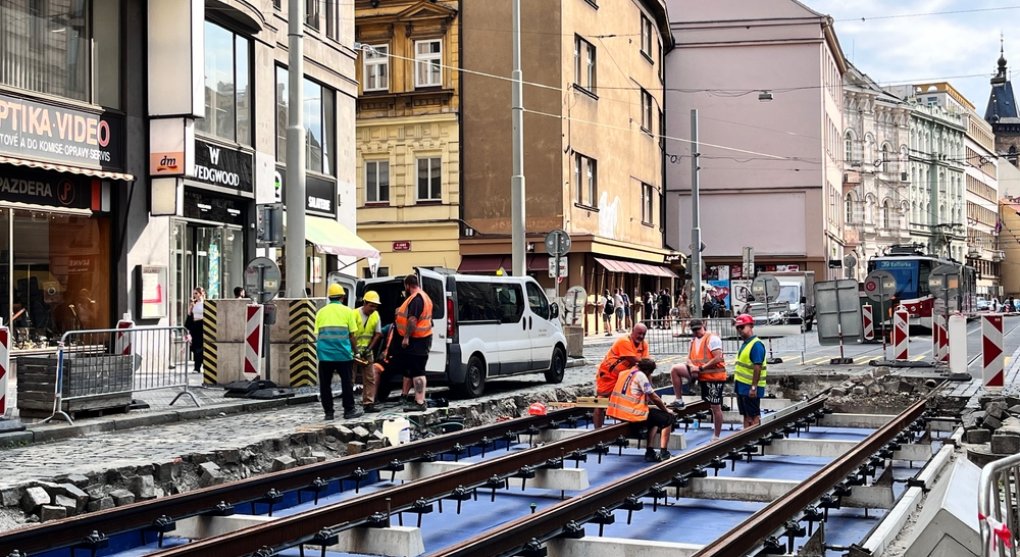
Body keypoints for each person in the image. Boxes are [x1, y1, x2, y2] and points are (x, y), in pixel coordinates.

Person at [607, 358, 676, 462]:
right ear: (648, 371)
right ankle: (664, 453)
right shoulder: (641, 376)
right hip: (632, 414)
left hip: (618, 413)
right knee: (667, 419)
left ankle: (650, 452)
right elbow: (654, 397)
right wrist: (666, 410)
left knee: (654, 419)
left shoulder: (624, 373)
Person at [669, 319, 726, 442]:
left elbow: (718, 358)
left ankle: (716, 436)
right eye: (694, 330)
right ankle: (679, 400)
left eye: (698, 329)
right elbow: (689, 358)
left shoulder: (712, 339)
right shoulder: (693, 340)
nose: (696, 332)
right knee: (675, 369)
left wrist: (700, 368)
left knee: (715, 407)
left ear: (703, 326)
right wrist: (692, 367)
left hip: (713, 376)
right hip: (699, 373)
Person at [314, 283, 362, 420]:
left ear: (329, 297)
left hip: (324, 355)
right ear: (342, 297)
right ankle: (349, 410)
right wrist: (356, 352)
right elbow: (352, 336)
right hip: (343, 354)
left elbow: (318, 333)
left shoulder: (321, 312)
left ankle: (329, 413)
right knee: (347, 383)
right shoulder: (348, 311)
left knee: (325, 385)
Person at [594, 323, 649, 428]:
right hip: (608, 376)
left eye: (643, 334)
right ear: (632, 332)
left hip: (623, 377)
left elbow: (646, 366)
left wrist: (649, 389)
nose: (641, 336)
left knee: (625, 400)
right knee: (601, 401)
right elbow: (639, 363)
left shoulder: (644, 345)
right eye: (639, 333)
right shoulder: (624, 341)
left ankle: (624, 427)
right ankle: (597, 431)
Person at [393, 274, 434, 412]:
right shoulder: (424, 297)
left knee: (418, 371)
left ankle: (419, 402)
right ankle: (415, 399)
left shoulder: (416, 299)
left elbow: (412, 320)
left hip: (418, 339)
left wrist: (406, 337)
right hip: (422, 338)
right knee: (414, 370)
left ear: (407, 285)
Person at [733, 313, 767, 429]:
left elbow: (757, 367)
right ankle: (746, 438)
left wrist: (753, 387)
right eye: (738, 327)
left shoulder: (756, 345)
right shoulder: (746, 344)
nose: (739, 330)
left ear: (751, 326)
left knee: (753, 415)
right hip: (742, 386)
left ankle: (754, 438)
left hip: (749, 388)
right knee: (746, 415)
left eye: (742, 327)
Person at [353, 290, 384, 413]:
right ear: (364, 303)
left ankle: (368, 403)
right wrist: (356, 351)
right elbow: (350, 334)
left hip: (367, 351)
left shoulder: (375, 315)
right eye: (371, 305)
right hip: (353, 351)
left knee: (370, 378)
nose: (373, 308)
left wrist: (369, 348)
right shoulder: (354, 314)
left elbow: (378, 334)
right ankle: (349, 404)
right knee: (350, 378)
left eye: (375, 306)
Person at [185, 287, 205, 373]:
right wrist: (190, 308)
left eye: (196, 293)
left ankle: (203, 365)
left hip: (203, 325)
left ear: (201, 293)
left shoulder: (206, 303)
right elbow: (190, 315)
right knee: (196, 347)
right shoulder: (194, 303)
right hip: (195, 326)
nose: (195, 295)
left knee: (202, 347)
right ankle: (197, 367)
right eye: (194, 293)